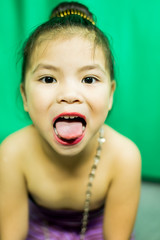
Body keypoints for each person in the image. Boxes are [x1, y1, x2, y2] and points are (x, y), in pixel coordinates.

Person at [0, 1, 141, 240]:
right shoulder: (12, 153)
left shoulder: (124, 157)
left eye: (88, 79)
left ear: (110, 95)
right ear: (24, 96)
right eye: (47, 79)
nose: (69, 95)